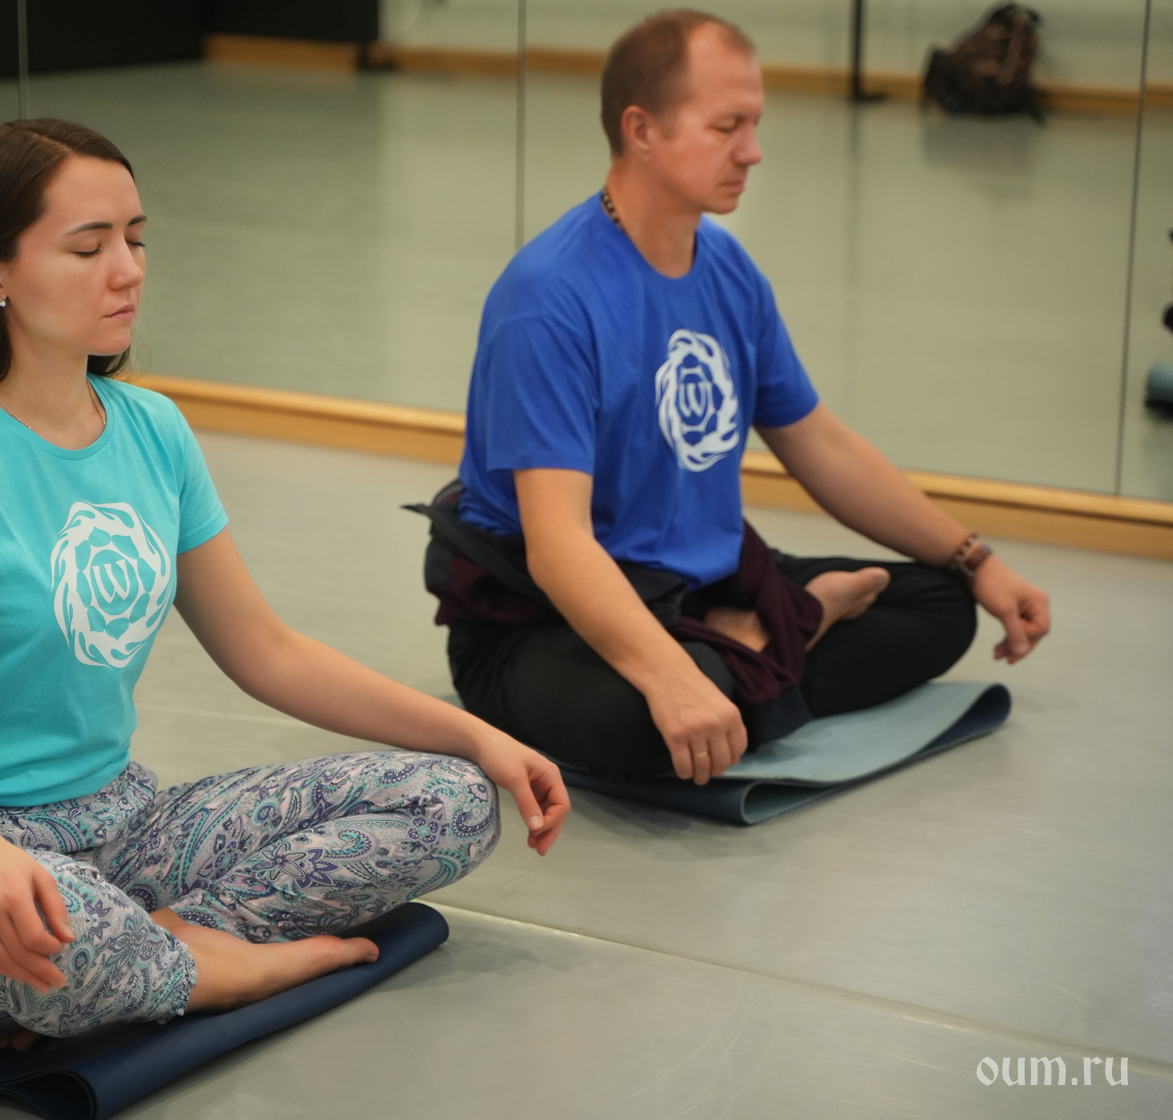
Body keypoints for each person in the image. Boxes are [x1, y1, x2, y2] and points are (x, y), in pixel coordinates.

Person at [0, 119, 570, 1050]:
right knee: (58, 921)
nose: (127, 271)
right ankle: (219, 969)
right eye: (88, 248)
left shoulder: (153, 430)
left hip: (125, 830)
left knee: (451, 801)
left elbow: (267, 651)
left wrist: (480, 736)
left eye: (135, 240)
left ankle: (149, 956)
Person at [427, 10, 1051, 789]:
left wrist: (976, 559)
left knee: (941, 606)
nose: (752, 151)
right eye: (727, 127)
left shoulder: (727, 269)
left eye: (754, 125)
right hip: (546, 618)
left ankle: (746, 644)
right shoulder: (549, 298)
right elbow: (558, 549)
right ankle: (779, 635)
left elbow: (819, 442)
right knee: (649, 722)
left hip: (698, 587)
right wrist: (668, 677)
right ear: (641, 130)